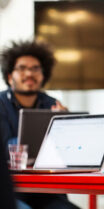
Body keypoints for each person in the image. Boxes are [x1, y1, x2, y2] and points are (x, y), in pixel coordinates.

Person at [0, 40, 79, 209]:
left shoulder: (53, 104)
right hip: (10, 191)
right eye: (21, 68)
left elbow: (70, 153)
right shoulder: (0, 104)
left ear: (43, 75)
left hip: (48, 191)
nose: (29, 73)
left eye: (35, 68)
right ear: (9, 76)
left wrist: (66, 126)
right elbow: (6, 148)